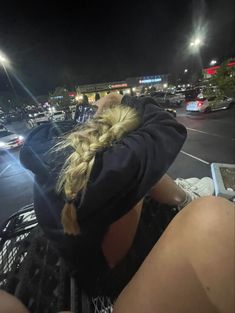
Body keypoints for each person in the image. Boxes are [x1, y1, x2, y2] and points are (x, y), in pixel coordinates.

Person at [20, 93, 215, 299]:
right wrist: (121, 98)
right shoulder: (115, 168)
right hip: (105, 272)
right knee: (143, 175)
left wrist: (96, 114)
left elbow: (81, 128)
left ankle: (185, 196)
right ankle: (186, 199)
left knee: (138, 168)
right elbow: (166, 127)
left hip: (77, 253)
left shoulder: (55, 145)